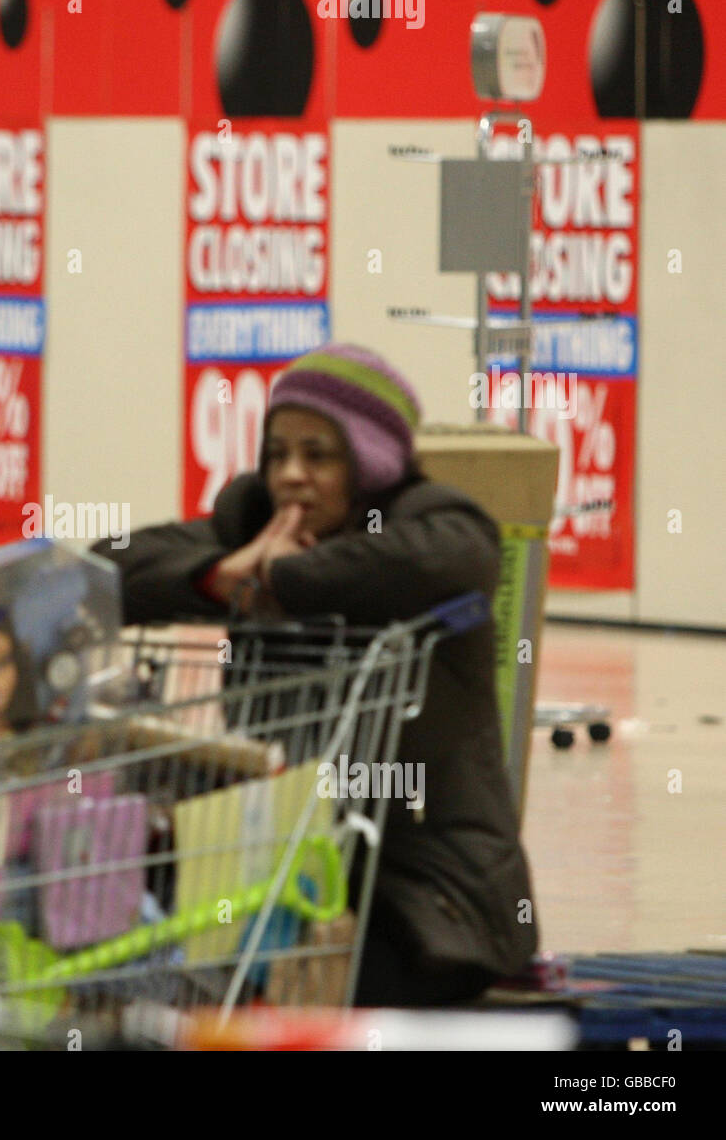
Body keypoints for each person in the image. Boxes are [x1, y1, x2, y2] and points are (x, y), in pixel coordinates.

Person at [92, 343, 538, 1006]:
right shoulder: (248, 522)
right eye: (278, 454)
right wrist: (219, 576)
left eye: (318, 455)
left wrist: (276, 574)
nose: (291, 476)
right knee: (141, 958)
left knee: (279, 985)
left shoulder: (438, 522)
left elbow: (450, 559)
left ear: (371, 460)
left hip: (429, 898)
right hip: (282, 871)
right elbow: (110, 566)